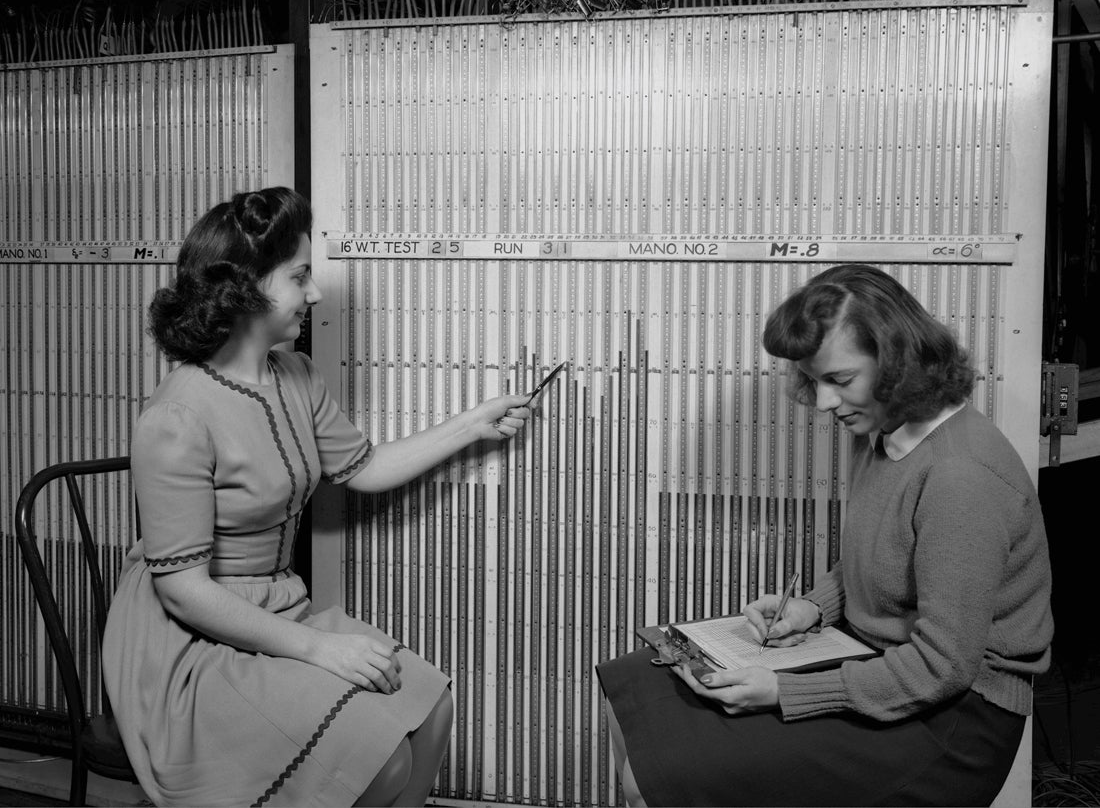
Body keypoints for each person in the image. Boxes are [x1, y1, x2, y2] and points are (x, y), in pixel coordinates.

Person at [101, 186, 532, 807]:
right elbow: (182, 589)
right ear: (245, 286)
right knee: (378, 765)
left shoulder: (296, 376)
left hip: (277, 609)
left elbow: (366, 465)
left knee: (430, 706)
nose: (316, 293)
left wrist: (472, 425)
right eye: (300, 275)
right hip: (189, 639)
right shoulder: (176, 416)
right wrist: (319, 648)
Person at [596, 263, 1053, 806]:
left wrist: (787, 692)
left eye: (838, 380)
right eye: (814, 381)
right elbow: (885, 556)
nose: (823, 403)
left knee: (657, 777)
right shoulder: (884, 429)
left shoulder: (962, 477)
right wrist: (811, 609)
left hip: (954, 722)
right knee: (630, 688)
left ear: (898, 361)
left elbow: (943, 667)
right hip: (882, 669)